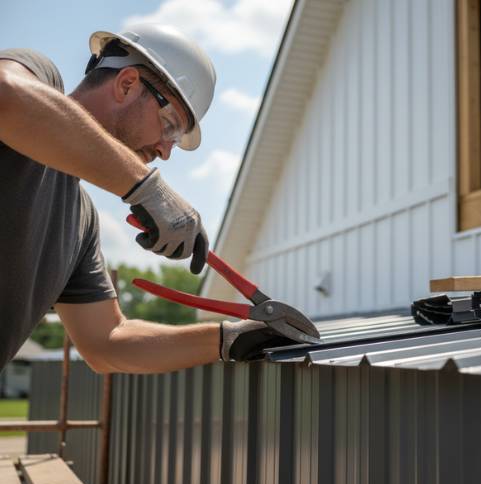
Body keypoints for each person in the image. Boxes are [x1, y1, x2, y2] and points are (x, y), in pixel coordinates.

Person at [0, 24, 293, 374]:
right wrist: (148, 188)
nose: (165, 152)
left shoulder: (79, 222)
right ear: (126, 84)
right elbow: (6, 96)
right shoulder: (36, 75)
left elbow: (107, 342)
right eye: (170, 126)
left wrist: (228, 339)